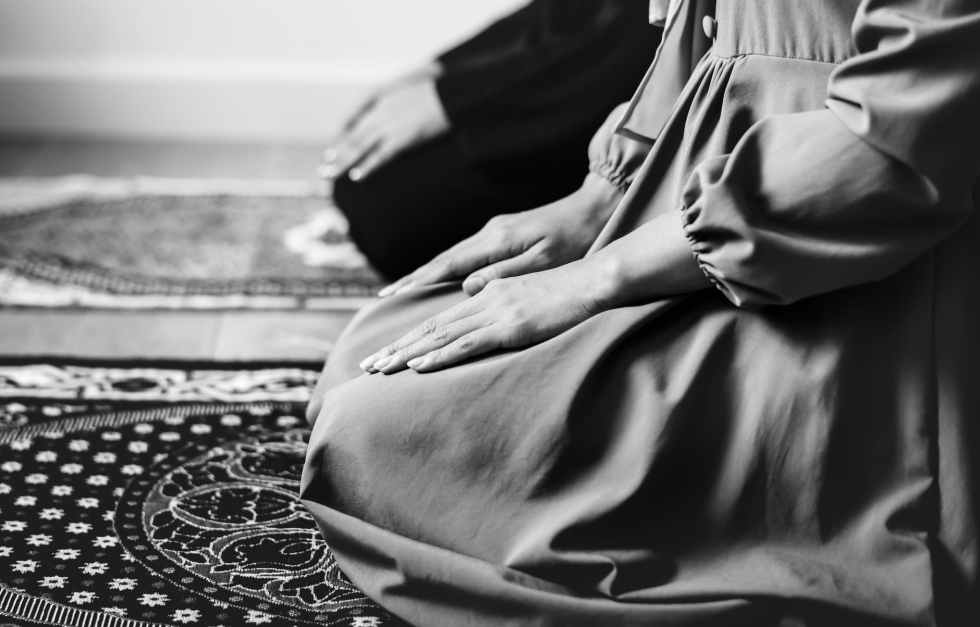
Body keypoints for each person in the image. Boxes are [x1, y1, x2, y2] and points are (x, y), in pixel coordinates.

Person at [301, 0, 980, 625]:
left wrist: (598, 277)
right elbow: (703, 27)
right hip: (706, 207)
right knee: (367, 360)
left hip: (849, 262)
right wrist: (603, 194)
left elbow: (898, 143)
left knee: (371, 432)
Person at [320, 0, 661, 280]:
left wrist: (454, 101)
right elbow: (566, 14)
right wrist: (443, 69)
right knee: (373, 186)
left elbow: (629, 47)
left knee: (390, 213)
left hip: (621, 97)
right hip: (590, 64)